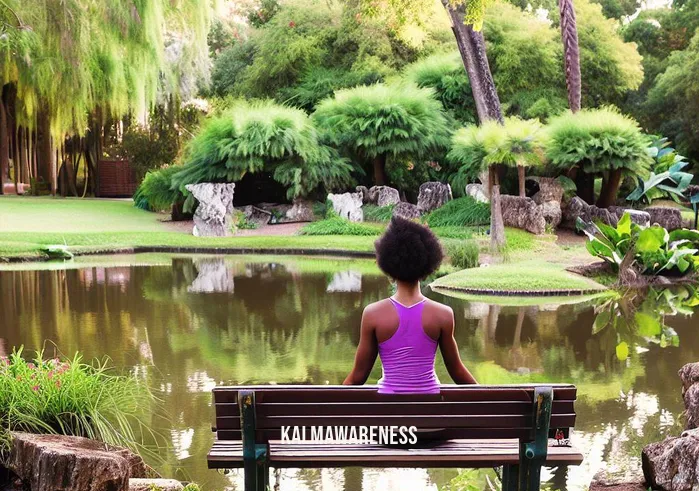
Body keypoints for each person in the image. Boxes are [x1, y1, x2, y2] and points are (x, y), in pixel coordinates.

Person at [343, 216, 477, 393]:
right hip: (429, 409)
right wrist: (492, 397)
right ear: (428, 265)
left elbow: (358, 377)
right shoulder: (443, 315)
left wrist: (329, 404)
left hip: (389, 413)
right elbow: (457, 371)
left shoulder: (373, 314)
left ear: (388, 265)